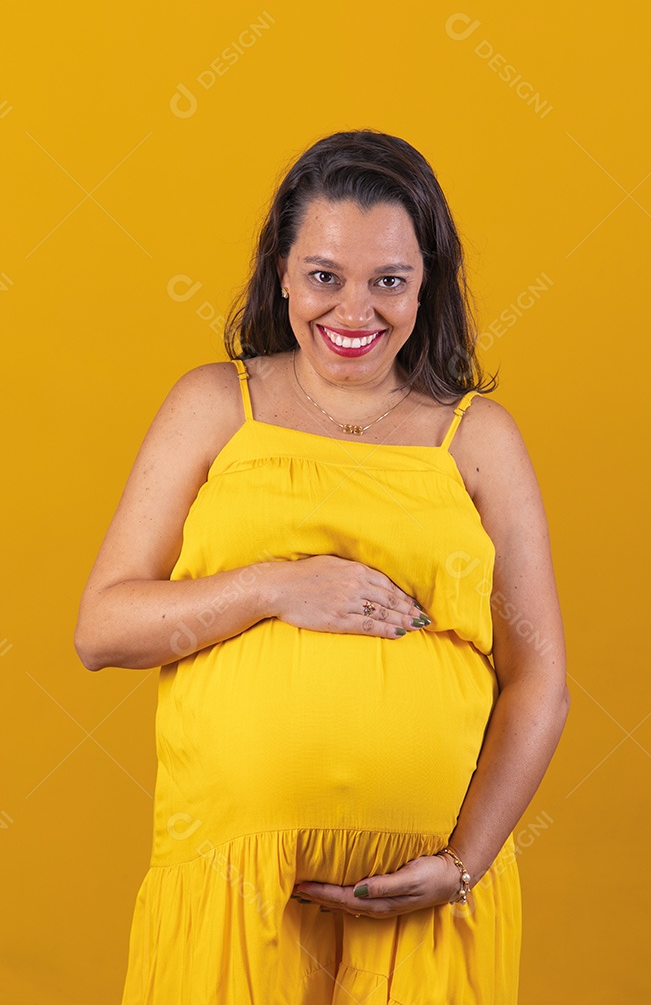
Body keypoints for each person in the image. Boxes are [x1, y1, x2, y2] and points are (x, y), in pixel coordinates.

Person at [74, 129, 570, 1004]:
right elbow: (102, 629)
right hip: (234, 894)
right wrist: (274, 586)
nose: (354, 311)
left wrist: (464, 864)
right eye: (324, 276)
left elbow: (540, 679)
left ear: (428, 284)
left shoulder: (478, 438)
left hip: (425, 906)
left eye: (389, 281)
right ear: (282, 273)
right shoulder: (212, 407)